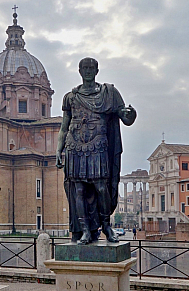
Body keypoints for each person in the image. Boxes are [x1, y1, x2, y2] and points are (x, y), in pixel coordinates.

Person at [56, 57, 137, 245]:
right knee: (79, 190)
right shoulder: (70, 97)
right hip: (74, 146)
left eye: (91, 68)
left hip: (98, 144)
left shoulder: (109, 93)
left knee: (102, 188)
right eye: (85, 68)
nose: (88, 71)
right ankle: (84, 230)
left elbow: (125, 117)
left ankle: (106, 227)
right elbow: (64, 126)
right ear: (79, 71)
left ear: (97, 71)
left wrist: (130, 115)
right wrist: (58, 150)